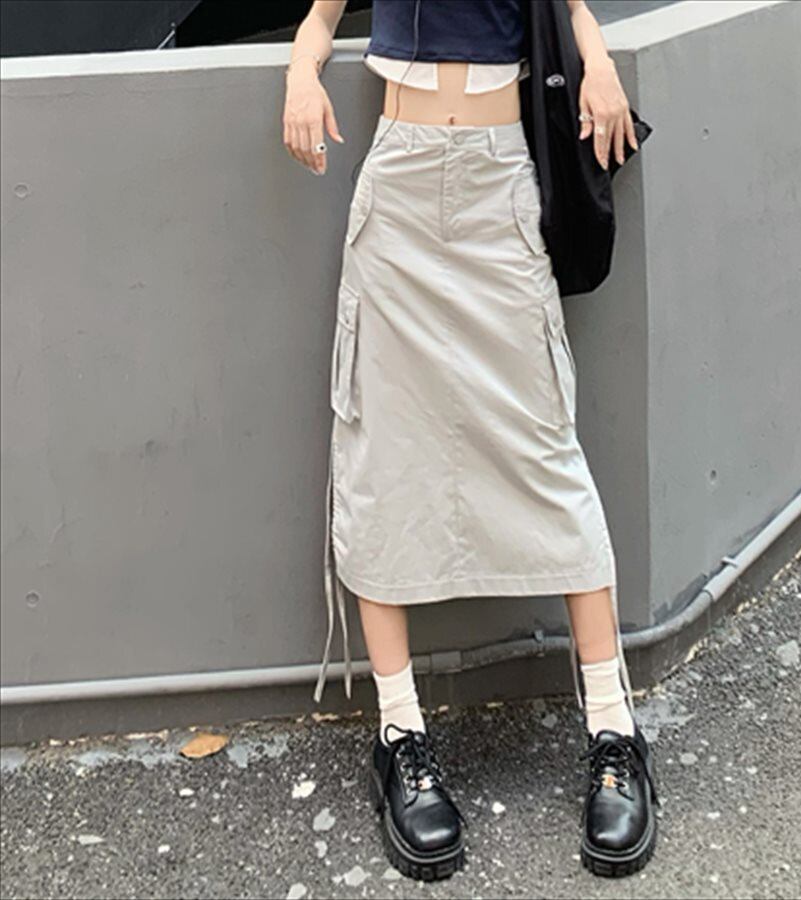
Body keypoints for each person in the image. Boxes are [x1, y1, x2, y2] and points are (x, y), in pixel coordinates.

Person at [281, 0, 659, 881]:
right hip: (401, 181)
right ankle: (399, 734)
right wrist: (301, 74)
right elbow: (318, 21)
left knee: (547, 450)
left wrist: (601, 66)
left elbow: (571, 7)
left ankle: (614, 729)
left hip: (500, 179)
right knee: (384, 457)